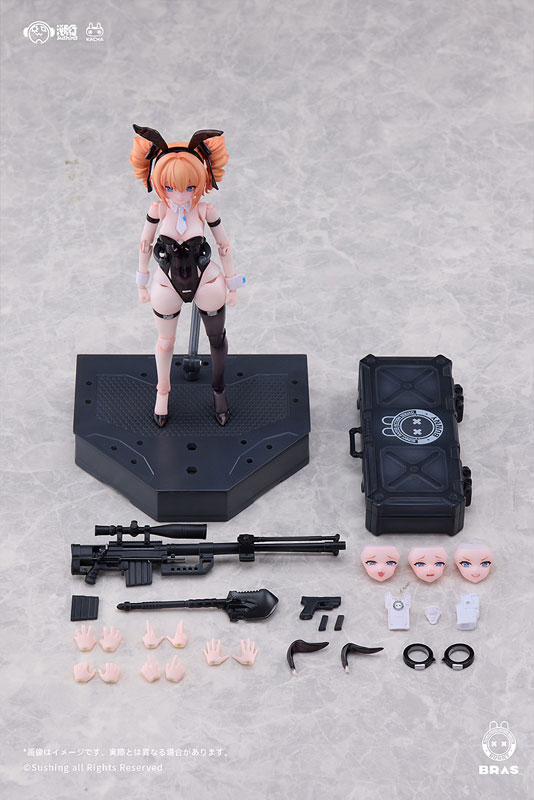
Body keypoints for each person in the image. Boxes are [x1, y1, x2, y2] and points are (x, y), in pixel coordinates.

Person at [129, 124, 242, 427]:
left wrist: (233, 284)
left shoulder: (206, 211)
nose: (180, 196)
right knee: (165, 342)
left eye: (189, 187)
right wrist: (141, 281)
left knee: (216, 339)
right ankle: (162, 392)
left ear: (201, 181)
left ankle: (219, 391)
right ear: (158, 182)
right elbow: (144, 244)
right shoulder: (158, 210)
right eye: (170, 188)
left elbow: (224, 246)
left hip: (207, 279)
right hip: (167, 282)